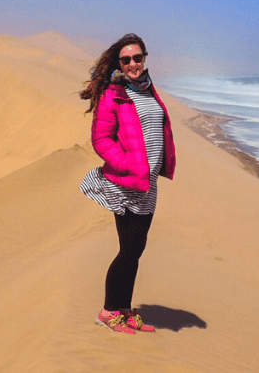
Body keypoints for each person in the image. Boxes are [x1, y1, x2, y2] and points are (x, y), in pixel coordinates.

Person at [78, 33, 176, 334]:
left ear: (144, 58)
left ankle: (124, 309)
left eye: (137, 57)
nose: (133, 64)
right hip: (126, 184)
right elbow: (101, 139)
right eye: (126, 60)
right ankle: (108, 311)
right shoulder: (114, 94)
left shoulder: (148, 90)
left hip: (147, 185)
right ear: (119, 64)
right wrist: (128, 164)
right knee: (128, 248)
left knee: (137, 249)